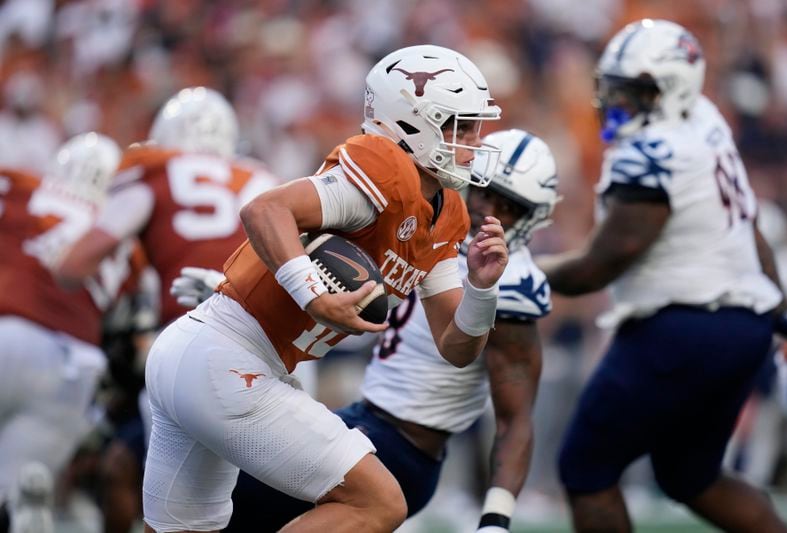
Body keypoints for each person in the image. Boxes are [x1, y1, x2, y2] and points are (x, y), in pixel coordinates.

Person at [136, 44, 508, 533]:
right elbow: (264, 210)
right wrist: (312, 294)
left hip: (204, 356)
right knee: (376, 503)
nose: (472, 142)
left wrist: (482, 291)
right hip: (229, 358)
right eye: (459, 127)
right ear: (412, 122)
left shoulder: (448, 215)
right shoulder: (383, 166)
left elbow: (456, 348)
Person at [171, 128, 561, 531]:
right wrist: (240, 294)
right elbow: (345, 283)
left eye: (508, 205)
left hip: (404, 447)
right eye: (486, 192)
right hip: (365, 418)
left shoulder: (509, 283)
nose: (487, 209)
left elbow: (515, 419)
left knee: (237, 505)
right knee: (228, 501)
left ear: (534, 216)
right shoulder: (432, 232)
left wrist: (495, 519)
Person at [537, 19, 787, 533]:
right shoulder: (706, 120)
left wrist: (516, 272)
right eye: (616, 90)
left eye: (634, 93)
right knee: (689, 475)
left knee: (587, 468)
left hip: (680, 328)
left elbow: (599, 266)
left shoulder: (653, 154)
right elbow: (748, 228)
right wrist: (778, 311)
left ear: (671, 90)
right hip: (744, 325)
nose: (619, 104)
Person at [52, 86, 282, 533]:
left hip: (190, 349)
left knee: (157, 492)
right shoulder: (259, 176)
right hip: (273, 350)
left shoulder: (154, 171)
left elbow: (74, 264)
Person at [0, 132, 124, 533]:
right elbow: (130, 329)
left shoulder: (22, 187)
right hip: (77, 368)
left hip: (10, 330)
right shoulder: (126, 234)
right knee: (14, 494)